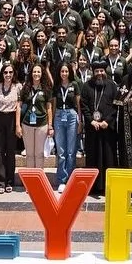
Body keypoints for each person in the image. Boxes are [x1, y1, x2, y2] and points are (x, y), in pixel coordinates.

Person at [82, 59, 119, 198]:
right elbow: (84, 105)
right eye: (96, 71)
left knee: (108, 157)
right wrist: (91, 120)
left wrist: (107, 121)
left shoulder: (112, 85)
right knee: (93, 157)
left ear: (105, 71)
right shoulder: (87, 86)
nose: (99, 73)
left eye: (101, 71)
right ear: (93, 72)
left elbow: (116, 105)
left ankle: (108, 186)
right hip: (93, 128)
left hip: (107, 128)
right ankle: (93, 187)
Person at [18, 64, 52, 187]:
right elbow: (19, 106)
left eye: (38, 72)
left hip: (42, 124)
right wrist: (17, 125)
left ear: (42, 74)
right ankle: (30, 183)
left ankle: (39, 181)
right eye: (34, 72)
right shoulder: (26, 88)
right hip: (27, 124)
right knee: (30, 154)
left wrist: (50, 125)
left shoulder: (46, 89)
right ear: (31, 73)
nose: (36, 74)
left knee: (39, 154)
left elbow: (49, 108)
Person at [51, 62, 82, 191]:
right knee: (61, 151)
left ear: (70, 72)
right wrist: (52, 122)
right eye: (62, 71)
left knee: (71, 150)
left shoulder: (74, 85)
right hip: (59, 116)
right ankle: (62, 180)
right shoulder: (56, 86)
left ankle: (70, 179)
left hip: (72, 116)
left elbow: (78, 104)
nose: (64, 74)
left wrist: (80, 121)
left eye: (66, 71)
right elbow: (53, 105)